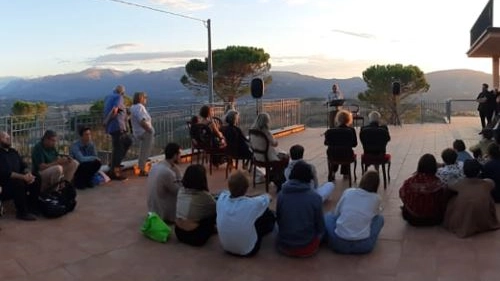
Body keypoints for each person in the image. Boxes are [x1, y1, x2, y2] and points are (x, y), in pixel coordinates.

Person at [216, 170, 275, 257]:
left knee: (254, 213)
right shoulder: (252, 204)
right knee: (266, 213)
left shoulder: (221, 199)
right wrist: (255, 197)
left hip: (226, 246)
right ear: (246, 188)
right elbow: (268, 197)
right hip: (249, 250)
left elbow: (225, 193)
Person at [324, 170, 384, 254]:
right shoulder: (376, 198)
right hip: (364, 246)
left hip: (339, 244)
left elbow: (337, 213)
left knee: (328, 216)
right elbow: (376, 214)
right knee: (380, 219)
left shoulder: (349, 192)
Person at [276, 161, 324, 257]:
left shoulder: (281, 195)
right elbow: (320, 226)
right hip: (308, 247)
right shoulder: (315, 197)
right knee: (329, 220)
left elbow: (279, 219)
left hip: (285, 245)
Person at [443, 159, 500, 238]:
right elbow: (492, 184)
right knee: (487, 196)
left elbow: (449, 186)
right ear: (479, 171)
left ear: (464, 171)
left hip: (465, 219)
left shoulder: (459, 184)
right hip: (484, 219)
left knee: (453, 198)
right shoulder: (488, 183)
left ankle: (460, 219)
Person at [0, 131, 40, 221]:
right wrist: (23, 177)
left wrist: (28, 173)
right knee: (18, 182)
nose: (9, 139)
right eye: (5, 138)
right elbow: (6, 173)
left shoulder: (13, 152)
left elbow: (24, 165)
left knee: (36, 177)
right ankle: (22, 213)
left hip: (19, 179)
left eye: (9, 137)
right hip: (5, 186)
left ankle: (33, 207)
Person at [399, 154, 447, 226]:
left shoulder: (410, 182)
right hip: (434, 219)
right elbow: (443, 200)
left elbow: (402, 194)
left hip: (413, 219)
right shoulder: (438, 183)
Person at [175, 164, 216, 246]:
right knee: (214, 214)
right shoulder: (204, 196)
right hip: (196, 237)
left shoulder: (181, 191)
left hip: (179, 232)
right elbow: (215, 207)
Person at [249, 112, 289, 190]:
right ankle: (276, 179)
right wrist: (273, 137)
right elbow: (275, 144)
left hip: (256, 157)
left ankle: (270, 176)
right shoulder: (266, 132)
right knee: (285, 158)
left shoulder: (252, 131)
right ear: (266, 122)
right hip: (267, 158)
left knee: (281, 156)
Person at [147, 143, 182, 224]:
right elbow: (179, 191)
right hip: (161, 212)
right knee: (186, 196)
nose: (180, 157)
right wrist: (178, 172)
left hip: (152, 209)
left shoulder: (155, 166)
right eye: (179, 154)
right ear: (175, 155)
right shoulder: (167, 172)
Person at [104, 85, 132, 180]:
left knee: (124, 143)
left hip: (113, 127)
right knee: (119, 148)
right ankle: (115, 172)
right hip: (117, 126)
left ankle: (114, 164)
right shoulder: (118, 97)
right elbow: (114, 110)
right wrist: (106, 121)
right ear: (122, 93)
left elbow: (116, 110)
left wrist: (124, 112)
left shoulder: (109, 97)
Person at [324, 109, 358, 180]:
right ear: (349, 119)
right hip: (346, 155)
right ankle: (345, 173)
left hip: (333, 155)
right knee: (345, 151)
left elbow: (326, 143)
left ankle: (333, 171)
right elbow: (354, 144)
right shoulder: (351, 130)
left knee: (335, 151)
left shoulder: (330, 131)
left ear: (338, 119)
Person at [130, 92, 155, 176]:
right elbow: (142, 121)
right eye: (145, 98)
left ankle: (142, 167)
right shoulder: (140, 107)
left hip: (138, 132)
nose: (146, 99)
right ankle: (142, 170)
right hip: (144, 132)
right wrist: (150, 130)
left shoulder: (133, 107)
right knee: (145, 151)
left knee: (143, 150)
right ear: (141, 98)